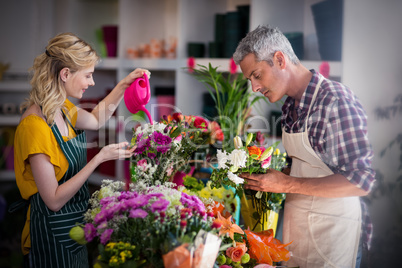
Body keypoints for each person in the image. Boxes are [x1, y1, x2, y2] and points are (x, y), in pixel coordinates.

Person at [233, 25, 375, 268]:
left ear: (279, 59)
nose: (254, 87)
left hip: (334, 237)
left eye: (256, 75)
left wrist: (286, 183)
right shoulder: (290, 105)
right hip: (299, 232)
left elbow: (362, 180)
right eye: (250, 80)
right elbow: (310, 168)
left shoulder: (334, 100)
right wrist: (267, 178)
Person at [12, 32, 150, 267]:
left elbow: (96, 120)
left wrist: (123, 85)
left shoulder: (62, 109)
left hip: (74, 231)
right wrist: (98, 159)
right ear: (65, 74)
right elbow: (53, 200)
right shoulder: (34, 126)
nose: (92, 82)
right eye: (88, 75)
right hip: (49, 237)